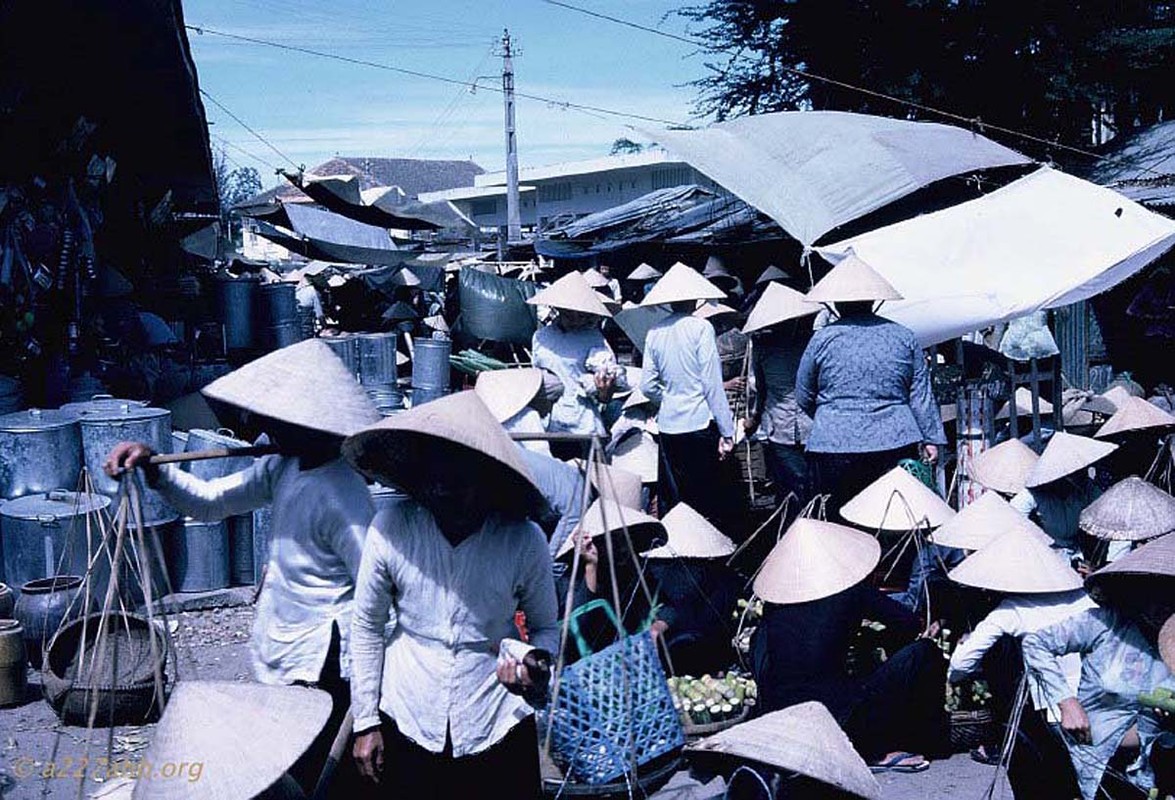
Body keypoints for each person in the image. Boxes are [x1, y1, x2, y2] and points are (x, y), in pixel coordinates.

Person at [103, 340, 381, 795]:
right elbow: (211, 502)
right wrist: (155, 469)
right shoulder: (285, 467)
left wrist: (369, 704)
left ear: (309, 423)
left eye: (276, 421)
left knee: (313, 771)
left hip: (320, 658)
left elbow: (373, 590)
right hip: (281, 639)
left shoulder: (343, 493)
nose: (263, 428)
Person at [345, 391, 559, 798]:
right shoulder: (390, 530)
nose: (446, 493)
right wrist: (367, 721)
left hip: (494, 717)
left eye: (460, 483)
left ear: (488, 479)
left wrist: (535, 665)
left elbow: (546, 627)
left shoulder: (523, 540)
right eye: (436, 483)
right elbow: (367, 626)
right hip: (410, 712)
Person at [750, 517, 947, 774]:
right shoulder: (850, 591)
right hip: (836, 718)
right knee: (925, 652)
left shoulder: (775, 603)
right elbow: (909, 624)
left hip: (781, 715)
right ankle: (887, 746)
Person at [1022, 532, 1175, 800]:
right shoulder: (1106, 622)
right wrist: (1066, 702)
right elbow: (1035, 644)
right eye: (1156, 594)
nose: (1163, 606)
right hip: (1099, 758)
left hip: (1160, 762)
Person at [946, 524, 1093, 799]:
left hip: (1056, 710)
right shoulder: (1085, 598)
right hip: (1101, 701)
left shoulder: (1011, 610)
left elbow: (960, 666)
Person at [795, 254, 945, 515]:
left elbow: (803, 393)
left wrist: (831, 415)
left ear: (836, 304)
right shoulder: (904, 336)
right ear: (874, 300)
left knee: (838, 521)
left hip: (834, 443)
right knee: (892, 518)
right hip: (894, 440)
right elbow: (920, 394)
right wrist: (931, 438)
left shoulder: (822, 340)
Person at [639, 262, 737, 525]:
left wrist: (669, 398)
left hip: (670, 425)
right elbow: (711, 384)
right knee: (707, 498)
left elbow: (647, 385)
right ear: (695, 297)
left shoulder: (655, 332)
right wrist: (727, 431)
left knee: (677, 498)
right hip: (698, 423)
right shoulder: (701, 328)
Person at [640, 502, 742, 675]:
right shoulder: (673, 580)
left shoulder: (717, 582)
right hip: (692, 649)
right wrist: (657, 628)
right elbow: (676, 608)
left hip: (708, 647)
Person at [742, 282, 818, 512]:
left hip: (787, 425)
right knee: (804, 483)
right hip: (801, 424)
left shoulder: (765, 348)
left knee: (794, 484)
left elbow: (758, 389)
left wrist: (753, 419)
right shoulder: (809, 344)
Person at [528, 272, 620, 460]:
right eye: (571, 313)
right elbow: (535, 378)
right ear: (559, 309)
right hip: (548, 423)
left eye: (581, 314)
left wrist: (604, 390)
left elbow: (606, 394)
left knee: (586, 482)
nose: (576, 319)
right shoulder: (541, 337)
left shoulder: (594, 339)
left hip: (582, 424)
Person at [1011, 431, 1117, 563]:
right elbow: (1011, 520)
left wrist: (1110, 565)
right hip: (1043, 556)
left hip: (1074, 554)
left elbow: (1115, 520)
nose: (1082, 474)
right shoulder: (1033, 493)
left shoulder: (1088, 489)